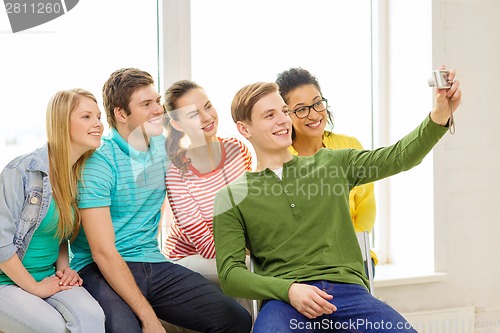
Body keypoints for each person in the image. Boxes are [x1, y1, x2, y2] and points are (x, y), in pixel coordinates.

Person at [213, 67, 461, 332]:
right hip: (285, 303)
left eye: (284, 111)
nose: (282, 121)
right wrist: (289, 290)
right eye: (269, 115)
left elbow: (400, 156)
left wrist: (440, 114)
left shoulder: (333, 163)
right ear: (244, 128)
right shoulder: (230, 197)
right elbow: (230, 275)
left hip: (349, 296)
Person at [69, 68, 252, 333]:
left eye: (157, 101)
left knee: (235, 319)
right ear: (121, 114)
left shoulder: (165, 151)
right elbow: (103, 253)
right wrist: (149, 318)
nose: (158, 110)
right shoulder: (99, 163)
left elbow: (207, 159)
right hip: (100, 268)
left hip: (153, 263)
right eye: (146, 104)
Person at [0, 89, 106, 332]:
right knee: (54, 328)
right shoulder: (22, 171)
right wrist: (34, 288)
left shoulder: (76, 175)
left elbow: (56, 234)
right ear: (62, 122)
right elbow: (1, 242)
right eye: (87, 116)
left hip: (47, 277)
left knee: (92, 318)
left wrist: (64, 269)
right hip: (6, 282)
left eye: (98, 117)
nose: (98, 124)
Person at [275, 67, 378, 270]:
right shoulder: (279, 158)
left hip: (354, 254)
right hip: (303, 261)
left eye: (317, 103)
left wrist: (351, 243)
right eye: (301, 109)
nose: (314, 115)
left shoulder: (351, 145)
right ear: (286, 114)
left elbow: (367, 205)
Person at [163, 80, 252, 284]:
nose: (207, 117)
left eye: (208, 106)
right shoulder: (178, 174)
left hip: (234, 248)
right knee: (253, 268)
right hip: (189, 258)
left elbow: (249, 212)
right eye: (193, 114)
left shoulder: (237, 150)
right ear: (177, 124)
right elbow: (206, 247)